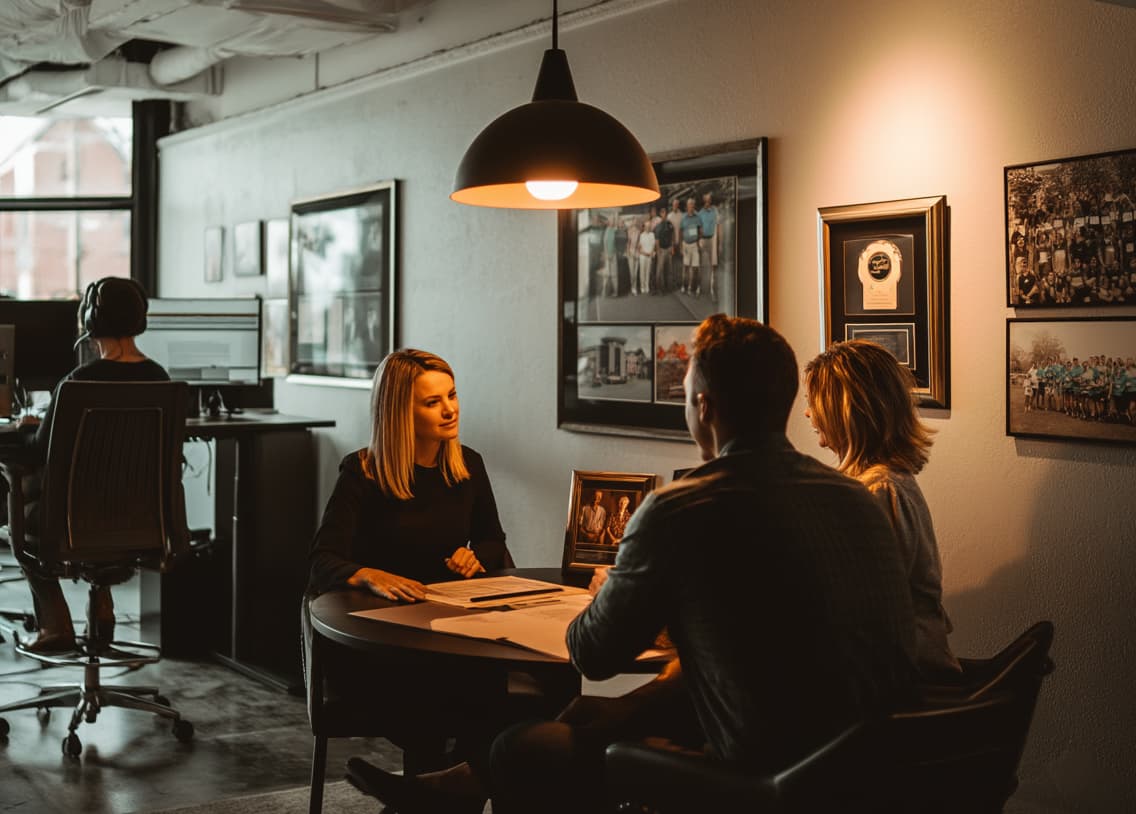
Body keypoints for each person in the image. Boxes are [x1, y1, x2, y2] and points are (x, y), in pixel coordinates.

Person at [345, 315, 917, 814]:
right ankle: (460, 786)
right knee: (587, 714)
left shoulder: (678, 508)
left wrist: (616, 591)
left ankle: (468, 782)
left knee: (524, 748)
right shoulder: (854, 497)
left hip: (762, 765)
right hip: (872, 755)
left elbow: (592, 652)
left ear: (702, 406)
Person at [308, 348, 516, 773]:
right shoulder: (362, 472)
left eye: (452, 396)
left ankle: (433, 796)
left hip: (449, 630)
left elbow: (494, 541)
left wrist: (474, 557)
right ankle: (432, 793)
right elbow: (322, 561)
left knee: (498, 688)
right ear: (400, 410)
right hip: (379, 639)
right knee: (439, 692)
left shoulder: (466, 465)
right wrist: (368, 574)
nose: (449, 410)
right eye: (432, 402)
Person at [14, 276, 169, 652]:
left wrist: (28, 426)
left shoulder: (77, 384)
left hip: (71, 523)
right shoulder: (161, 380)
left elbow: (39, 450)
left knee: (21, 513)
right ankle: (102, 605)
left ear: (89, 321)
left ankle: (56, 627)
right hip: (141, 520)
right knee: (102, 509)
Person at [803, 340, 961, 678]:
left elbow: (855, 606)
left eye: (813, 403)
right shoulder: (884, 481)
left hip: (902, 682)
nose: (807, 414)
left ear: (844, 409)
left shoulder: (877, 490)